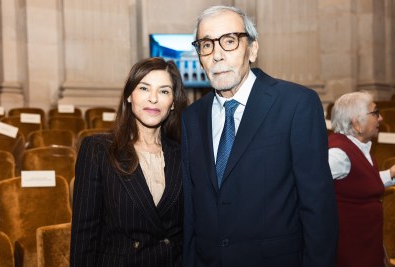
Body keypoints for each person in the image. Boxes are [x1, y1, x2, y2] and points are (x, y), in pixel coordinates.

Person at [181, 5, 338, 267]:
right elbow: (191, 210)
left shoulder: (297, 104)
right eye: (206, 45)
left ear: (252, 49)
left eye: (229, 41)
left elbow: (318, 208)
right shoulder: (191, 117)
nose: (217, 55)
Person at [70, 57, 187, 266]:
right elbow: (84, 235)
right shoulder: (97, 150)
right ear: (129, 96)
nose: (153, 99)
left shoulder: (185, 153)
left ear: (172, 103)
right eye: (144, 88)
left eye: (164, 91)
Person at [328, 91, 395, 267]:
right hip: (350, 254)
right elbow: (308, 187)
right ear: (357, 123)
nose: (380, 118)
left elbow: (359, 183)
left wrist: (391, 174)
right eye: (375, 113)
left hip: (365, 248)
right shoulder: (337, 154)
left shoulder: (359, 146)